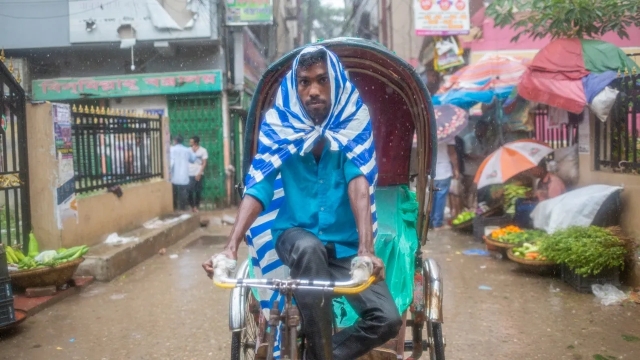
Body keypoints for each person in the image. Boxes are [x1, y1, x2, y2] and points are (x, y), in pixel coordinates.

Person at [202, 47, 401, 360]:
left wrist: (365, 250)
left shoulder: (352, 122)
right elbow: (260, 186)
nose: (313, 91)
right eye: (304, 82)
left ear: (335, 83)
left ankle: (317, 356)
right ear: (295, 88)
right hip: (295, 238)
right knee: (309, 249)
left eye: (322, 81)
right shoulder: (281, 125)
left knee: (387, 319)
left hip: (346, 249)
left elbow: (358, 184)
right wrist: (230, 247)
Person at [431, 139, 459, 230]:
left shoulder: (428, 133)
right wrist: (456, 168)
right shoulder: (448, 133)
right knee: (441, 196)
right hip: (444, 170)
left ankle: (431, 221)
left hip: (431, 170)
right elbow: (452, 153)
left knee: (433, 196)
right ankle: (438, 223)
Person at [170, 135, 194, 211]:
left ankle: (174, 207)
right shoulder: (187, 150)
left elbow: (170, 162)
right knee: (183, 192)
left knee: (174, 192)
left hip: (174, 175)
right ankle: (183, 208)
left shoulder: (171, 149)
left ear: (175, 141)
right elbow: (193, 159)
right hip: (184, 174)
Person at [188, 136, 208, 212]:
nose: (190, 143)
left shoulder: (203, 151)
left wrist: (199, 173)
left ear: (196, 143)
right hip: (190, 173)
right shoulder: (188, 150)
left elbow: (204, 163)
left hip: (199, 173)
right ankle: (192, 206)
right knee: (189, 190)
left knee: (198, 190)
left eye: (191, 142)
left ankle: (196, 206)